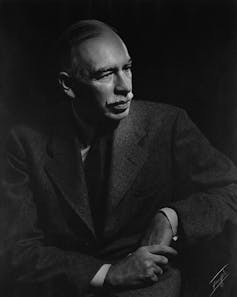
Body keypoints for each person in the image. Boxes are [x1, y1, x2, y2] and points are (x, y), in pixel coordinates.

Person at [2, 19, 237, 297]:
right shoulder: (23, 142)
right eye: (105, 74)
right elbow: (15, 250)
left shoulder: (168, 124)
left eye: (127, 68)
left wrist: (171, 217)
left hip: (150, 288)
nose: (125, 87)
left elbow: (231, 189)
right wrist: (107, 273)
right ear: (68, 85)